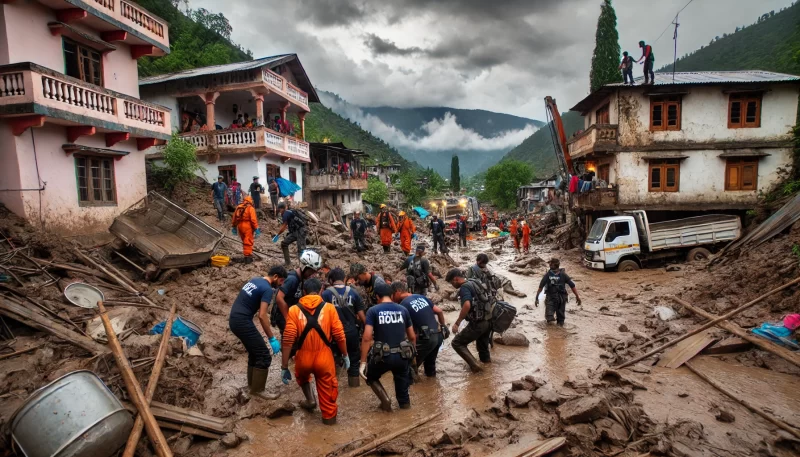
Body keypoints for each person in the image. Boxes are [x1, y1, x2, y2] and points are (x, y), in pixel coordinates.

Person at [280, 278, 348, 425]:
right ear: (321, 291)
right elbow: (339, 335)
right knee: (329, 400)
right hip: (324, 358)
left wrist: (284, 366)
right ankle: (329, 423)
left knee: (303, 377)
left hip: (303, 358)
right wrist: (345, 354)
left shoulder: (293, 310)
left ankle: (310, 400)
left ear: (303, 292)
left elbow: (288, 340)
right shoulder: (329, 308)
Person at [228, 266, 287, 395]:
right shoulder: (267, 289)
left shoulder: (255, 280)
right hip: (242, 321)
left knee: (254, 352)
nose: (280, 285)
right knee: (264, 355)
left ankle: (251, 386)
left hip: (234, 319)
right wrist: (272, 337)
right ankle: (258, 390)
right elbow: (262, 315)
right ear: (275, 277)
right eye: (281, 281)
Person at [359, 283, 416, 411]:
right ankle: (406, 413)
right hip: (402, 356)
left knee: (370, 376)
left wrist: (363, 362)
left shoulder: (373, 311)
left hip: (382, 357)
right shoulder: (403, 310)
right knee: (403, 395)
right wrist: (412, 357)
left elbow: (367, 337)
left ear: (377, 297)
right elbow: (412, 336)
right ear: (391, 295)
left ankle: (386, 401)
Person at [391, 281, 448, 379]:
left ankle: (416, 391)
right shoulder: (421, 297)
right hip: (438, 336)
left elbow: (401, 328)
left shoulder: (403, 305)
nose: (392, 299)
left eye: (391, 295)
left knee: (408, 368)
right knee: (430, 367)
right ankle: (432, 388)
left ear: (397, 292)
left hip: (426, 338)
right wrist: (443, 326)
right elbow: (439, 311)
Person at [321, 268, 366, 387]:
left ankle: (332, 389)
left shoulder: (325, 294)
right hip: (352, 333)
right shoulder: (354, 292)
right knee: (354, 360)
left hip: (333, 334)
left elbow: (321, 317)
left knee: (333, 361)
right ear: (344, 278)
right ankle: (354, 387)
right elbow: (362, 316)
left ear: (331, 280)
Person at [445, 268, 494, 373]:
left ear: (455, 279)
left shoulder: (464, 288)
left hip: (478, 323)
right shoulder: (474, 281)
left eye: (451, 283)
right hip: (488, 320)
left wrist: (457, 323)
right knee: (483, 349)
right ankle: (488, 372)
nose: (452, 286)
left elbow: (467, 305)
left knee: (457, 343)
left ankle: (477, 368)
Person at [274, 250, 322, 333]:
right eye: (312, 271)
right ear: (304, 267)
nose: (313, 274)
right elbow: (279, 298)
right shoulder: (292, 279)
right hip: (283, 315)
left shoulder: (302, 279)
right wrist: (288, 318)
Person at [535, 258, 582, 326]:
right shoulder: (563, 274)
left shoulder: (548, 275)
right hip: (562, 298)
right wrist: (577, 297)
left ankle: (552, 334)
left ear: (553, 264)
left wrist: (536, 298)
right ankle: (559, 333)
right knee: (560, 319)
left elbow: (540, 287)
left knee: (549, 318)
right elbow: (572, 286)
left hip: (551, 298)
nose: (549, 264)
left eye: (550, 263)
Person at [275, 202, 307, 267]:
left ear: (281, 209)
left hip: (301, 231)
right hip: (295, 232)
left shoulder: (286, 214)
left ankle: (304, 268)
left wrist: (277, 235)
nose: (279, 211)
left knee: (301, 250)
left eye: (279, 209)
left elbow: (283, 227)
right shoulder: (287, 213)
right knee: (284, 243)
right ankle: (288, 263)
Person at [231, 196, 260, 264]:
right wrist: (256, 228)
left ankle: (246, 254)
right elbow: (253, 220)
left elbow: (234, 217)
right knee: (248, 242)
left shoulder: (239, 207)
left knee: (244, 241)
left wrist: (234, 226)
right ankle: (248, 258)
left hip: (240, 226)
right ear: (250, 201)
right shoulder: (250, 208)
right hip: (247, 226)